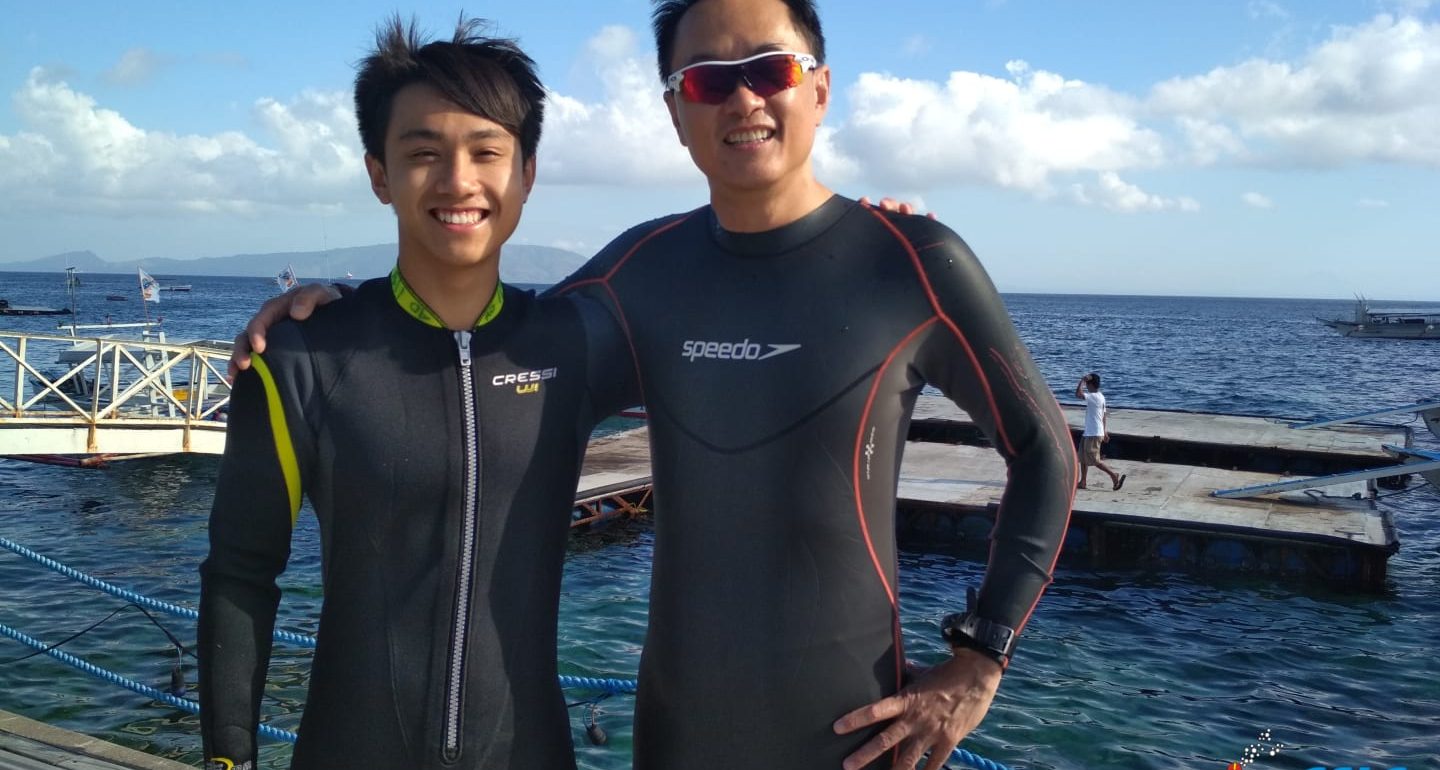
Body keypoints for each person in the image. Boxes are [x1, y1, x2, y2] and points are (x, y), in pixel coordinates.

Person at [232, 1, 1076, 767]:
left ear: (819, 88)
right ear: (676, 113)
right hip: (676, 740)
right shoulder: (639, 272)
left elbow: (1046, 453)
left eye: (771, 70)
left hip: (855, 742)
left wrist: (981, 655)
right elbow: (479, 341)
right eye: (707, 80)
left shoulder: (913, 265)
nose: (742, 99)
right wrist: (335, 312)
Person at [198, 19, 629, 770]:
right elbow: (241, 572)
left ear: (526, 173)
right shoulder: (301, 356)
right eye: (424, 153)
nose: (458, 181)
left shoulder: (575, 343)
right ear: (379, 174)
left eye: (487, 152)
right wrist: (227, 758)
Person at [1075, 372, 1124, 491]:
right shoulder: (1101, 397)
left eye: (1087, 384)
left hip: (1094, 433)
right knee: (1082, 457)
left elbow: (1078, 394)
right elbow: (1103, 415)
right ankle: (1083, 481)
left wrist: (1082, 380)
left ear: (1090, 384)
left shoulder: (1094, 396)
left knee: (1094, 460)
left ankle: (1113, 475)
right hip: (1090, 431)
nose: (1086, 386)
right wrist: (1105, 431)